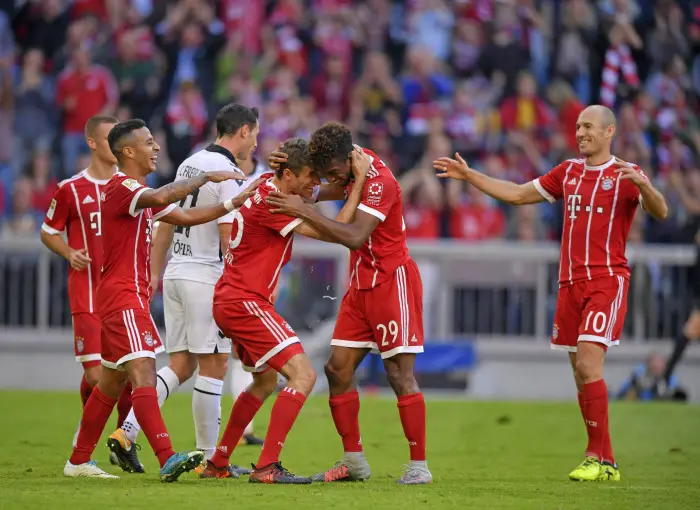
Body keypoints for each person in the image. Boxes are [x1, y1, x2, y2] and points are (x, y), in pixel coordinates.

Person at [433, 105, 668, 482]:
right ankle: (607, 461)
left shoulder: (626, 174)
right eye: (577, 127)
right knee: (580, 374)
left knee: (589, 365)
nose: (581, 133)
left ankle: (594, 457)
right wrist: (470, 175)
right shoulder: (568, 172)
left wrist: (645, 186)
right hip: (569, 284)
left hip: (606, 281)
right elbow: (517, 194)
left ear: (609, 132)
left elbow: (661, 211)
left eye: (588, 126)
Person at [64, 118, 253, 481]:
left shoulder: (139, 192)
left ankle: (78, 459)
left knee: (111, 383)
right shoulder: (123, 187)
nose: (156, 148)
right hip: (122, 296)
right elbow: (165, 197)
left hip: (125, 294)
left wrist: (232, 202)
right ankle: (167, 456)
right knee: (144, 372)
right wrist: (205, 178)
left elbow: (185, 215)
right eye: (149, 142)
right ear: (128, 151)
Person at [265, 122, 431, 485]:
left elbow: (354, 236)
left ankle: (419, 466)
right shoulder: (347, 168)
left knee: (398, 374)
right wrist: (281, 169)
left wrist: (304, 210)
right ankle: (354, 461)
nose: (329, 180)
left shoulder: (379, 181)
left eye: (332, 173)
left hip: (392, 282)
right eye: (324, 173)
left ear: (346, 160)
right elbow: (312, 191)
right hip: (360, 284)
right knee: (337, 369)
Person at [199, 138, 371, 484]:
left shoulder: (267, 182)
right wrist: (359, 186)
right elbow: (338, 231)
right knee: (304, 376)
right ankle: (267, 466)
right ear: (289, 174)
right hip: (245, 302)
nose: (315, 183)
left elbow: (303, 186)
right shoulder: (275, 202)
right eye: (310, 176)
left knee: (263, 381)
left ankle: (218, 462)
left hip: (231, 299)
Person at [109, 104, 262, 476]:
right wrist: (241, 284)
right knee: (215, 365)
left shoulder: (190, 164)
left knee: (181, 364)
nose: (256, 143)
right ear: (243, 131)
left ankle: (126, 432)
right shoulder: (229, 174)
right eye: (255, 135)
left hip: (177, 271)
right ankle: (210, 459)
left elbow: (165, 222)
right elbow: (228, 236)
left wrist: (155, 273)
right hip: (205, 276)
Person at [40, 115, 143, 466]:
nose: (115, 144)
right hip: (86, 293)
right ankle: (88, 437)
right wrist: (69, 252)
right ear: (92, 143)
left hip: (122, 292)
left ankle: (121, 442)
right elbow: (48, 231)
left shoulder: (128, 186)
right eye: (108, 137)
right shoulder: (70, 188)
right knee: (98, 373)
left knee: (127, 373)